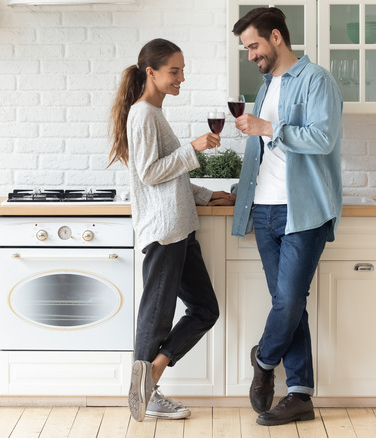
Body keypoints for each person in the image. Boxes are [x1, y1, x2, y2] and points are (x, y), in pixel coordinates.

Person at [108, 38, 236, 422]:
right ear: (152, 72)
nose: (181, 77)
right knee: (157, 313)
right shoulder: (144, 114)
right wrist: (194, 148)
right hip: (165, 231)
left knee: (204, 309)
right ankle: (146, 388)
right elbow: (149, 174)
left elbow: (169, 177)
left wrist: (206, 193)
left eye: (182, 70)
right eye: (174, 71)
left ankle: (152, 374)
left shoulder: (153, 113)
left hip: (180, 228)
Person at [230, 7, 343, 427]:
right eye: (246, 48)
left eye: (254, 45)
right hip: (264, 208)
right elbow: (265, 152)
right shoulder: (265, 85)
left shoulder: (317, 80)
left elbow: (323, 137)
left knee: (291, 299)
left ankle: (263, 360)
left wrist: (266, 128)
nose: (250, 55)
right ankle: (300, 395)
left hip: (303, 209)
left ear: (276, 37)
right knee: (287, 304)